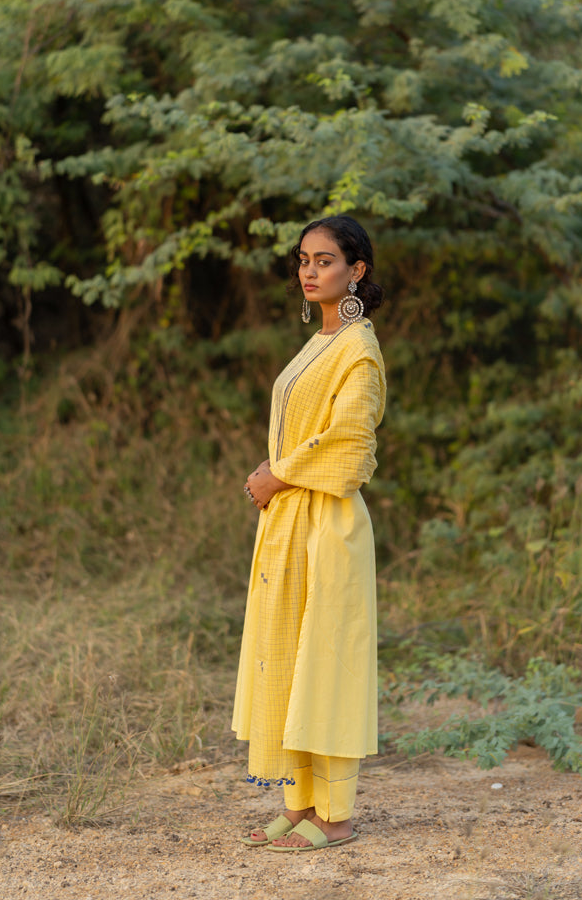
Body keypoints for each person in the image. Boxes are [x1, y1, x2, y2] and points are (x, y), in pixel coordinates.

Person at [231, 214, 386, 852]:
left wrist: (277, 474)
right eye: (303, 260)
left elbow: (349, 446)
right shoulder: (321, 341)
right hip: (292, 524)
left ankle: (338, 816)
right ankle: (302, 804)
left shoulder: (359, 348)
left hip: (329, 526)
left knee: (326, 666)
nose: (309, 271)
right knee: (290, 659)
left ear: (356, 271)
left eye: (325, 261)